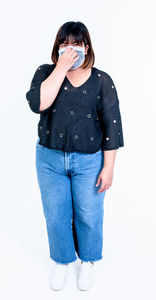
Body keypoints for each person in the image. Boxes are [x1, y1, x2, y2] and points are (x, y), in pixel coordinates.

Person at [25, 21, 124, 291]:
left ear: (86, 47)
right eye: (64, 44)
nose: (71, 49)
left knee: (89, 214)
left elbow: (112, 126)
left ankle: (88, 261)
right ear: (57, 48)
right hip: (49, 160)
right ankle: (61, 260)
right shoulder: (46, 72)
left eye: (76, 44)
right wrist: (60, 67)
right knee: (56, 214)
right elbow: (39, 103)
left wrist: (109, 167)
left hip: (90, 161)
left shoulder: (102, 80)